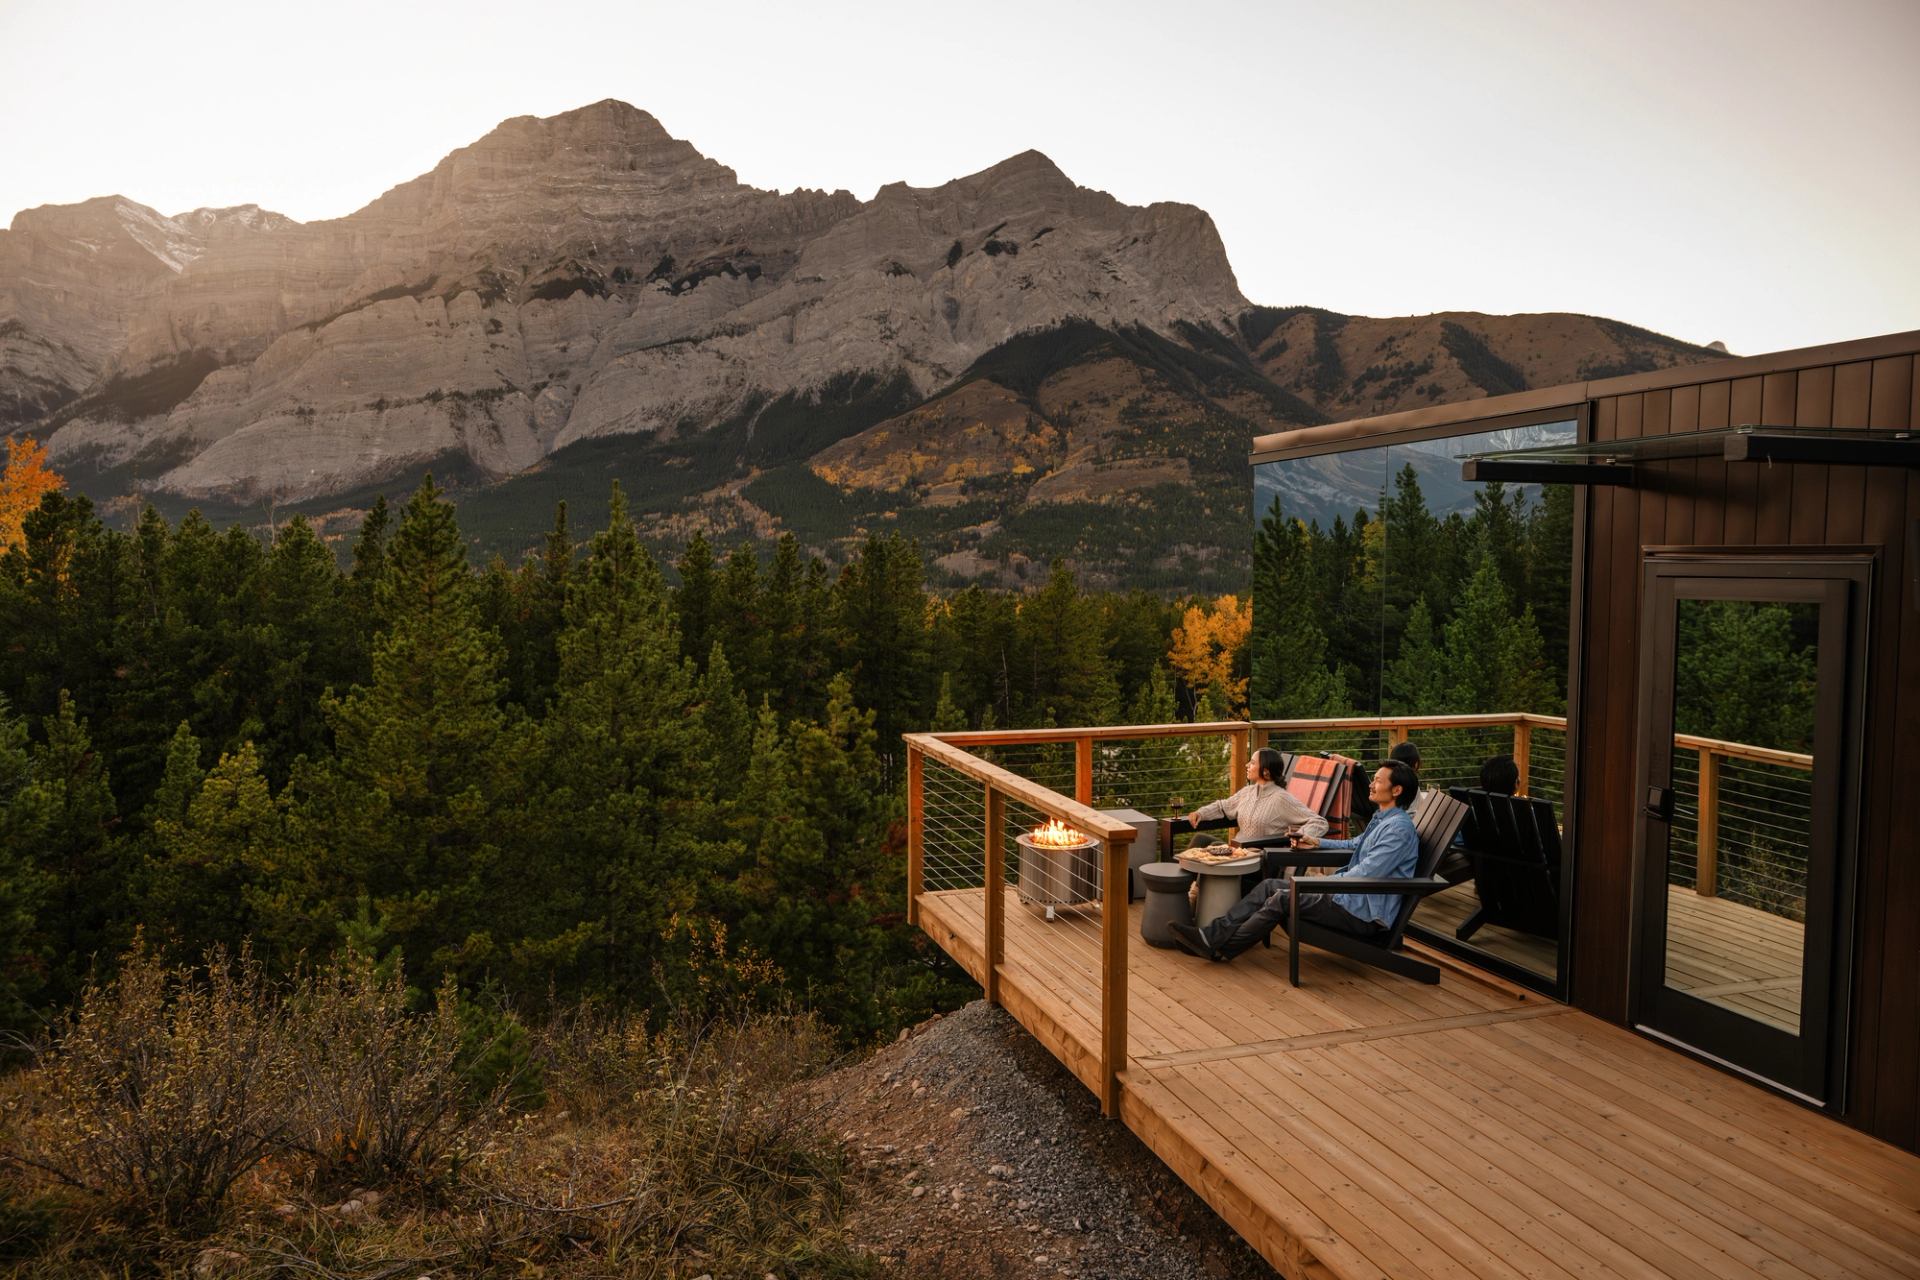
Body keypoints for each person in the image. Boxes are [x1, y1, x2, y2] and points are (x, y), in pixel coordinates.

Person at [1168, 760, 1420, 962]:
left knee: (1282, 897)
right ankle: (1210, 937)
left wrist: (1320, 884)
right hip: (1347, 898)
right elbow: (1353, 845)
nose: (1371, 784)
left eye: (1377, 780)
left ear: (1396, 790)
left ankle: (1218, 945)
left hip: (1360, 914)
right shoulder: (1383, 819)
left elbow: (1365, 874)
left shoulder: (1397, 830)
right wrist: (1317, 842)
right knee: (1270, 886)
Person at [1181, 747, 1327, 851]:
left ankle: (1194, 890)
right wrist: (1201, 813)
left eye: (1252, 763)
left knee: (1212, 849)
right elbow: (1222, 807)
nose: (1247, 765)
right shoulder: (1248, 792)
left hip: (1257, 860)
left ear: (1266, 771)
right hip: (1237, 852)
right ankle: (1186, 888)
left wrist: (1301, 837)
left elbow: (1319, 822)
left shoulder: (1281, 799)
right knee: (1200, 840)